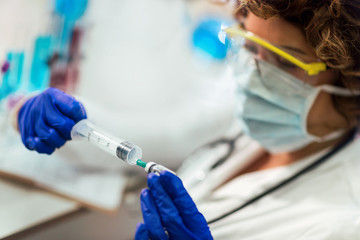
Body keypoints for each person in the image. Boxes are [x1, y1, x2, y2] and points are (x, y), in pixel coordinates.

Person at [13, 0, 360, 239]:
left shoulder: (341, 223)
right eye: (249, 45)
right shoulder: (248, 111)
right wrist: (43, 112)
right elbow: (161, 135)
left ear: (351, 81)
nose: (254, 75)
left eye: (285, 64)